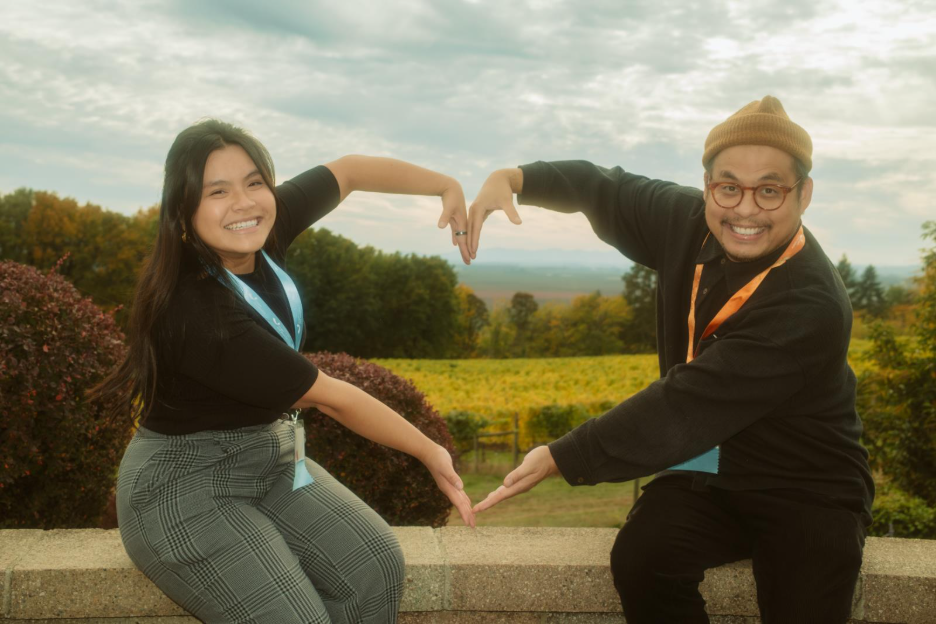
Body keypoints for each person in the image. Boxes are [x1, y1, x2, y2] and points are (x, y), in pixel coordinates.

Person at [466, 96, 873, 623]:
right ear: (709, 187)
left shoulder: (811, 304)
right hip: (710, 471)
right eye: (728, 187)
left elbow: (685, 404)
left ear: (804, 194)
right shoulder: (689, 220)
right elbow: (603, 187)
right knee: (642, 560)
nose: (745, 209)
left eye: (769, 190)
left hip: (806, 484)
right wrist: (515, 178)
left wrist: (562, 454)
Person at [92, 119, 475, 623]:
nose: (244, 203)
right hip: (181, 488)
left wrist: (445, 185)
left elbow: (351, 170)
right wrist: (430, 450)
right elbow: (330, 397)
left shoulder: (260, 229)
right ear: (183, 211)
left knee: (375, 567)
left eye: (255, 182)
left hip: (269, 457)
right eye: (217, 192)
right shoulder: (195, 311)